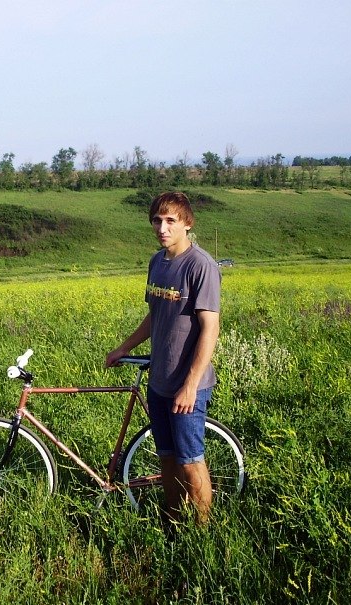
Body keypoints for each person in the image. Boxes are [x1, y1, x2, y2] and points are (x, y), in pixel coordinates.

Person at [105, 191, 220, 525]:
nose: (163, 227)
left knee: (190, 460)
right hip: (159, 381)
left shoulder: (201, 265)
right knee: (166, 459)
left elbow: (210, 329)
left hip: (188, 385)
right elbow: (155, 315)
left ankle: (202, 533)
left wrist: (190, 384)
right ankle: (171, 522)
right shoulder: (157, 262)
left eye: (171, 220)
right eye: (157, 220)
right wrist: (124, 347)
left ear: (187, 223)